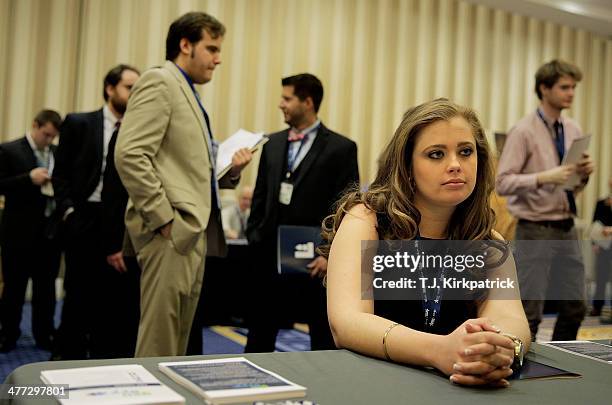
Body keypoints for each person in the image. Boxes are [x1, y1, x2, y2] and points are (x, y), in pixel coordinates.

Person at [322, 98, 530, 387]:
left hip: (454, 386)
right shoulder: (366, 221)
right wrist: (439, 350)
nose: (456, 165)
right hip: (370, 385)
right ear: (407, 166)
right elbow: (346, 324)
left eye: (466, 152)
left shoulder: (488, 241)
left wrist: (496, 350)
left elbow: (511, 319)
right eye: (436, 154)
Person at [115, 11, 252, 357]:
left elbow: (186, 169)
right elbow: (130, 154)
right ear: (185, 45)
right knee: (159, 341)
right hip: (171, 232)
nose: (218, 59)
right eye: (211, 49)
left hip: (190, 232)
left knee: (176, 341)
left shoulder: (186, 90)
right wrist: (163, 219)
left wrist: (230, 172)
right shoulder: (160, 81)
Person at [245, 73, 359, 352]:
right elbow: (260, 195)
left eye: (287, 98)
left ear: (307, 102)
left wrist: (328, 252)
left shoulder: (341, 148)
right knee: (259, 339)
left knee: (322, 341)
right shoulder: (271, 144)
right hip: (270, 260)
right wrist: (254, 235)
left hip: (313, 264)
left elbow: (347, 206)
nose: (280, 104)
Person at [496, 59, 594, 341]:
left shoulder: (573, 128)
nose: (571, 93)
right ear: (544, 88)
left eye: (573, 87)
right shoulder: (524, 131)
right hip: (534, 228)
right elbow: (502, 183)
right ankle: (523, 369)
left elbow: (571, 184)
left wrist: (583, 175)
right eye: (565, 87)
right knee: (530, 311)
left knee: (576, 307)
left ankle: (562, 362)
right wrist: (543, 177)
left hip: (566, 226)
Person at [51, 64, 140, 359]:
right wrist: (68, 211)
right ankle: (68, 355)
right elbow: (60, 173)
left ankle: (103, 356)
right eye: (129, 87)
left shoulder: (137, 127)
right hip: (82, 216)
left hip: (119, 218)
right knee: (78, 292)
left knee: (112, 296)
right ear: (110, 88)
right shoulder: (79, 123)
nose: (134, 93)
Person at [0, 110, 62, 352]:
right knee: (14, 288)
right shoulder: (9, 149)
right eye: (46, 134)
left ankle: (44, 334)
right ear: (35, 125)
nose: (48, 141)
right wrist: (28, 178)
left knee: (46, 290)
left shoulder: (56, 154)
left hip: (49, 234)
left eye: (53, 137)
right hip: (18, 233)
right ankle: (8, 334)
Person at [590, 176, 612, 317]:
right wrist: (594, 244)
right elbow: (594, 225)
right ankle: (597, 307)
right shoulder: (601, 203)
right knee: (601, 277)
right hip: (603, 245)